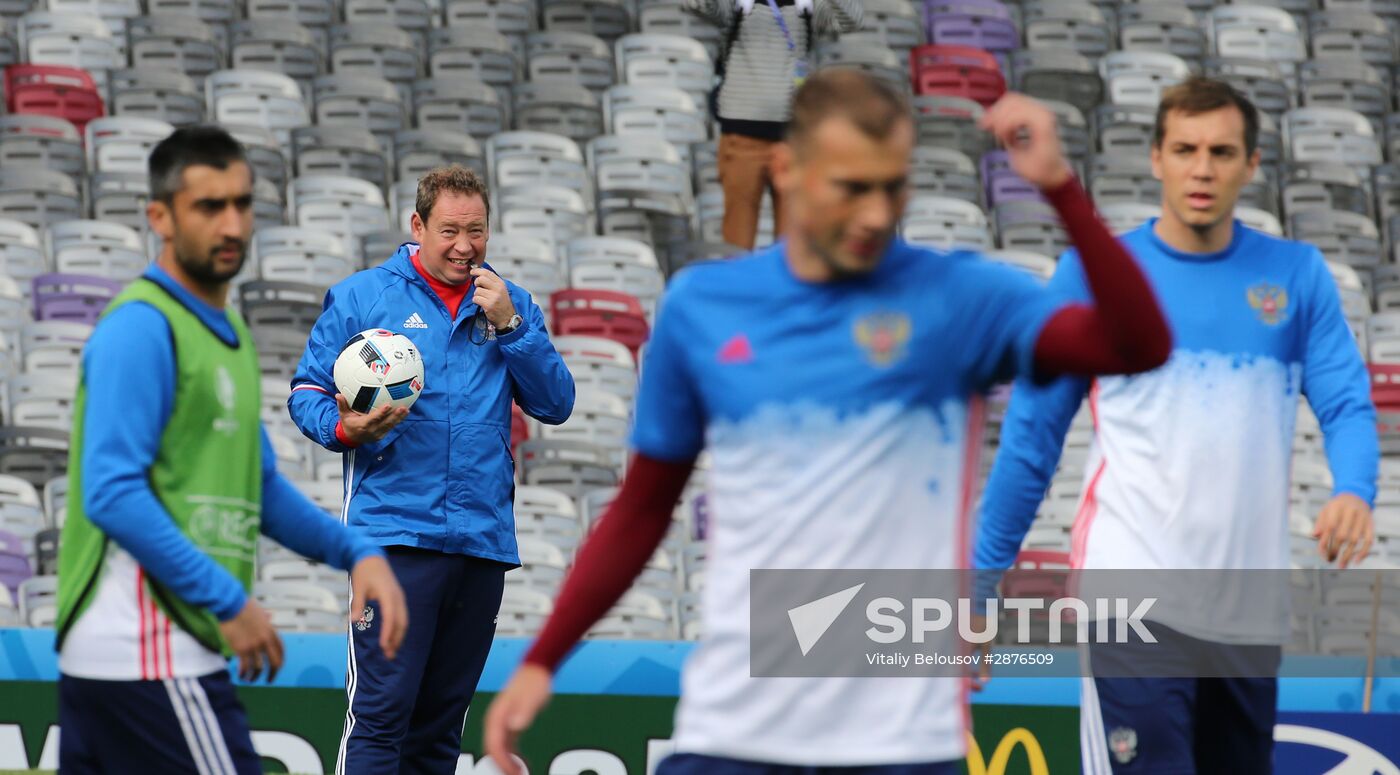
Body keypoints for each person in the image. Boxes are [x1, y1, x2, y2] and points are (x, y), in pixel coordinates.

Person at [482, 69, 1174, 775]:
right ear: (786, 170)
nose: (876, 213)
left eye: (892, 186)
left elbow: (1139, 344)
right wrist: (543, 659)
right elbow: (642, 507)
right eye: (851, 187)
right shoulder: (705, 306)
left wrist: (1058, 185)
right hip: (734, 732)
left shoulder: (961, 298)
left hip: (904, 746)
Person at [973, 77, 1380, 774]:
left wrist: (1355, 487)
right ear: (1156, 157)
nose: (1202, 168)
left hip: (1247, 618)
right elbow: (1031, 442)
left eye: (1221, 151)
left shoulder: (1297, 275)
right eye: (1185, 149)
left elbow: (1345, 404)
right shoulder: (1093, 277)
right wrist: (979, 587)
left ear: (1252, 165)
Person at [52, 126, 408, 774]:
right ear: (160, 216)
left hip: (128, 658)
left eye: (242, 204)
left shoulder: (231, 335)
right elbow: (111, 492)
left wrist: (356, 549)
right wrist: (229, 601)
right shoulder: (141, 327)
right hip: (151, 650)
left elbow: (261, 485)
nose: (232, 223)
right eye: (209, 206)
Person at [287, 165, 576, 774]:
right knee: (381, 714)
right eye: (449, 230)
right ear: (417, 226)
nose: (464, 246)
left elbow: (556, 404)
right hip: (394, 539)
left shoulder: (510, 304)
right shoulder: (365, 296)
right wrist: (345, 429)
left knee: (442, 727)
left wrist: (513, 328)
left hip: (480, 543)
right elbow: (306, 392)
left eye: (476, 231)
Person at [688, 0, 863, 250]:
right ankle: (741, 290)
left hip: (794, 140)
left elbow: (853, 20)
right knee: (737, 243)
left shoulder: (810, 6)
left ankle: (786, 291)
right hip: (741, 138)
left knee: (792, 247)